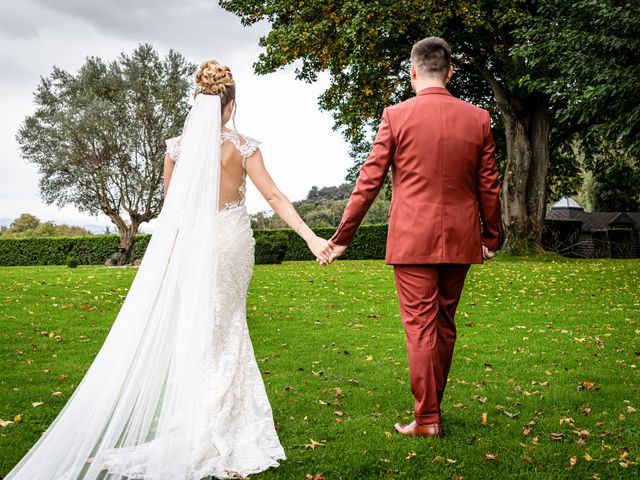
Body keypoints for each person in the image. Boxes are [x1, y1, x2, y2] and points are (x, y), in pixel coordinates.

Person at [5, 60, 333, 480]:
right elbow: (273, 195)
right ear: (230, 106)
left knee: (201, 331)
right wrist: (310, 238)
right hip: (231, 243)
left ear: (198, 103)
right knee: (228, 328)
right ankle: (222, 428)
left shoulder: (176, 149)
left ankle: (204, 425)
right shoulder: (245, 147)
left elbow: (172, 208)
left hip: (193, 247)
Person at [328, 37, 502, 437]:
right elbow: (489, 185)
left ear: (413, 72)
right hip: (460, 238)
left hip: (411, 239)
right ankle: (432, 411)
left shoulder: (395, 115)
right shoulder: (478, 118)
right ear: (451, 72)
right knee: (443, 324)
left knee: (421, 327)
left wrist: (343, 237)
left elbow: (368, 182)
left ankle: (427, 419)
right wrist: (491, 237)